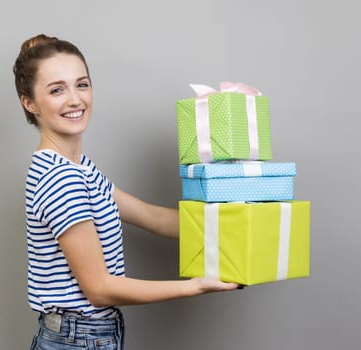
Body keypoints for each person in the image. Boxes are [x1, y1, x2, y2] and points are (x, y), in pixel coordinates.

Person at [13, 33, 238, 350]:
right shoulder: (59, 178)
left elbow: (152, 217)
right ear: (30, 102)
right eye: (56, 90)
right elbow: (100, 289)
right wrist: (195, 287)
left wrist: (235, 223)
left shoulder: (80, 169)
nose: (75, 99)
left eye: (82, 84)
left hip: (84, 336)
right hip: (77, 340)